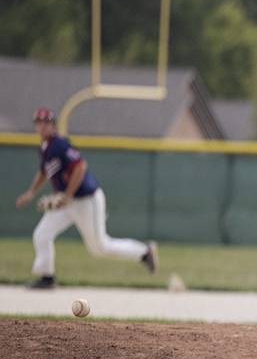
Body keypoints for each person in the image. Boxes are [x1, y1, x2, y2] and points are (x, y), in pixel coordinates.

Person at [14, 107, 158, 289]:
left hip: (86, 200)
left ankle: (145, 252)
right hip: (65, 202)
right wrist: (31, 192)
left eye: (46, 123)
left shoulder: (60, 144)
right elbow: (44, 171)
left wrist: (67, 195)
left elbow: (80, 167)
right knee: (42, 234)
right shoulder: (45, 148)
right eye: (39, 123)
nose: (42, 127)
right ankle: (47, 277)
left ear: (53, 125)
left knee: (100, 247)